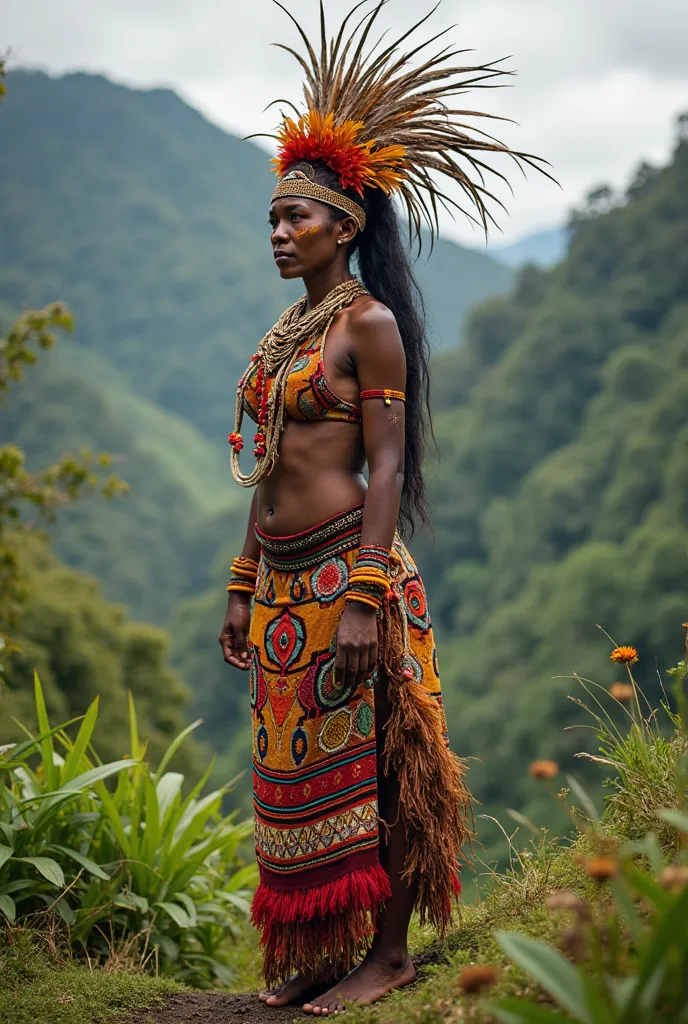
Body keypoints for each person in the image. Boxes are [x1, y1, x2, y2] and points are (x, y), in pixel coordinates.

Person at [219, 2, 548, 1014]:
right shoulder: (286, 333)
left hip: (348, 577)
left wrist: (363, 594)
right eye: (273, 218)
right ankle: (327, 944)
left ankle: (391, 953)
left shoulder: (366, 326)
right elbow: (265, 459)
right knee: (300, 771)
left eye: (297, 217)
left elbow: (391, 467)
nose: (280, 232)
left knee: (384, 760)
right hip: (280, 581)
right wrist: (241, 582)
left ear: (345, 224)